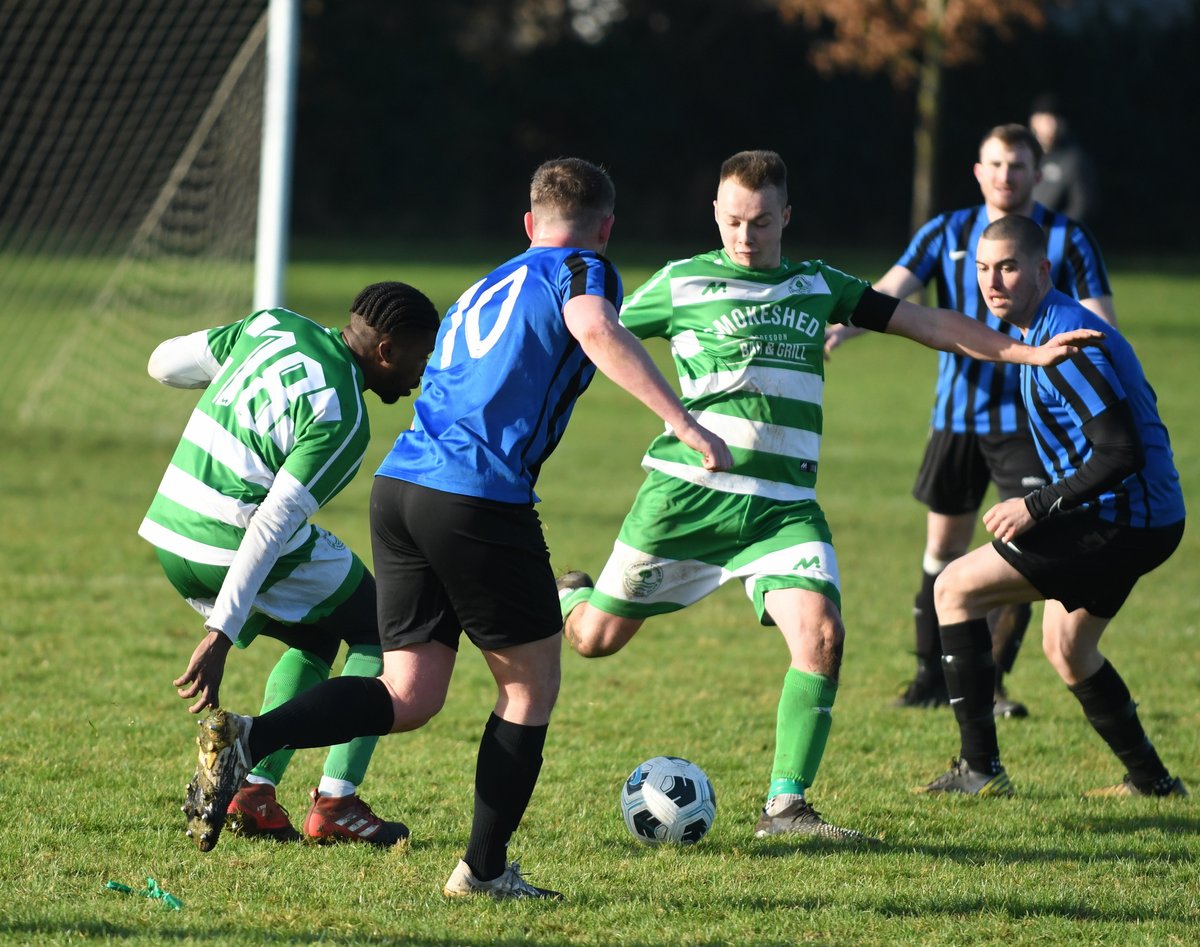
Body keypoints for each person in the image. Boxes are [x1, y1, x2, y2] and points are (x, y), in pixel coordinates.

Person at [180, 158, 734, 899]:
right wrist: (685, 424)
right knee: (530, 688)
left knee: (408, 692)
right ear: (605, 228)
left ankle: (253, 736)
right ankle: (483, 870)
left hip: (401, 487)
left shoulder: (485, 283)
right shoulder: (585, 269)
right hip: (478, 498)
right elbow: (594, 327)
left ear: (529, 223)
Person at [556, 150, 1102, 843]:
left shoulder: (818, 285)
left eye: (761, 222)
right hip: (687, 498)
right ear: (716, 215)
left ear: (786, 216)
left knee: (822, 635)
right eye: (733, 221)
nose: (746, 236)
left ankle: (786, 807)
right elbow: (595, 336)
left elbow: (927, 323)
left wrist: (1025, 352)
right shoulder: (681, 282)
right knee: (594, 639)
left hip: (783, 507)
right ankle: (570, 593)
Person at [826, 123, 1116, 718]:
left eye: (1018, 166)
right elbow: (891, 292)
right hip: (956, 417)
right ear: (979, 172)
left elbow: (1100, 322)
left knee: (1024, 542)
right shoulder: (945, 231)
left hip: (1031, 424)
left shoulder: (1067, 238)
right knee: (943, 545)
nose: (1006, 176)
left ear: (1037, 174)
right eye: (996, 165)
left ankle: (993, 681)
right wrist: (839, 328)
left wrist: (1106, 366)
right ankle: (930, 677)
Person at [143, 281, 440, 847]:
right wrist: (220, 634)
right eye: (419, 358)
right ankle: (336, 802)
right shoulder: (344, 417)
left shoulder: (271, 326)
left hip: (170, 535)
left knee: (318, 633)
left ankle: (254, 794)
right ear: (385, 350)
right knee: (384, 629)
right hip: (228, 542)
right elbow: (271, 526)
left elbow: (163, 364)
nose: (419, 376)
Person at [916, 213, 1186, 798]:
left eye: (1008, 268)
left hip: (1124, 518)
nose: (993, 282)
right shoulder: (1041, 332)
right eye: (983, 268)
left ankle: (980, 770)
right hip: (1146, 517)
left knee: (954, 589)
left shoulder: (1067, 343)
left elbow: (1121, 451)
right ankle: (1153, 783)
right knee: (1069, 648)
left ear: (1042, 270)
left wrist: (1035, 506)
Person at [1029, 93, 1099, 225]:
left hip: (1055, 231)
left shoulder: (1074, 159)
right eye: (1046, 118)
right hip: (1023, 231)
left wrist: (1055, 230)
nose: (1052, 124)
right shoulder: (1024, 155)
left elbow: (1081, 206)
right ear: (1034, 121)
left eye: (1056, 118)